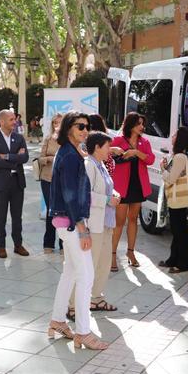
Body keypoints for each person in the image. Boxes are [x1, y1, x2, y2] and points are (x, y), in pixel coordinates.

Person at [47, 112, 109, 350]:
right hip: (72, 223)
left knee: (71, 272)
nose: (85, 130)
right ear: (68, 128)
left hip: (65, 221)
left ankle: (58, 319)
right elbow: (71, 195)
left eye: (87, 126)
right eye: (80, 126)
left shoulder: (69, 152)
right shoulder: (71, 156)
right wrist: (82, 227)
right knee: (86, 276)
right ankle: (83, 331)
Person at [67, 132, 121, 318]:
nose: (110, 150)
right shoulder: (89, 165)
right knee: (86, 267)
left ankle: (96, 298)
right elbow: (85, 195)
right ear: (97, 147)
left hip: (106, 223)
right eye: (107, 146)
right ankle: (72, 306)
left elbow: (106, 186)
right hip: (94, 224)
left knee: (103, 264)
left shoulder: (100, 165)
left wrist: (114, 194)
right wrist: (107, 199)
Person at [111, 112, 155, 271]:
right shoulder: (117, 140)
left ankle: (130, 252)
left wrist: (136, 152)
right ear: (130, 125)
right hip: (122, 186)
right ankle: (112, 255)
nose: (142, 127)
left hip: (138, 184)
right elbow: (108, 156)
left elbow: (150, 160)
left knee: (133, 218)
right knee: (119, 221)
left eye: (143, 124)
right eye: (139, 124)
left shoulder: (145, 142)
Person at [0, 109, 30, 258]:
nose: (15, 122)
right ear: (2, 121)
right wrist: (15, 158)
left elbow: (25, 158)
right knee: (1, 216)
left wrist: (7, 156)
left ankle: (18, 245)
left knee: (17, 216)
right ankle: (1, 246)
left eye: (14, 119)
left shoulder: (19, 138)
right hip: (0, 183)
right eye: (11, 119)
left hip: (17, 182)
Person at [159, 127, 188, 274]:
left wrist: (162, 169)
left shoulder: (180, 157)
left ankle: (182, 264)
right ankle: (173, 259)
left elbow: (171, 179)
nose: (172, 136)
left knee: (180, 231)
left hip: (178, 199)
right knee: (177, 230)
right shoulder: (180, 156)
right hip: (177, 199)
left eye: (175, 134)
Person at [39, 113, 63, 254]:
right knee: (50, 210)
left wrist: (53, 158)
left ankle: (63, 244)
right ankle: (48, 243)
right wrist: (49, 158)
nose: (57, 125)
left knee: (62, 211)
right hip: (47, 178)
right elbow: (40, 159)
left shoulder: (68, 141)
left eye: (60, 123)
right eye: (55, 123)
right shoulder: (48, 139)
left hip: (63, 180)